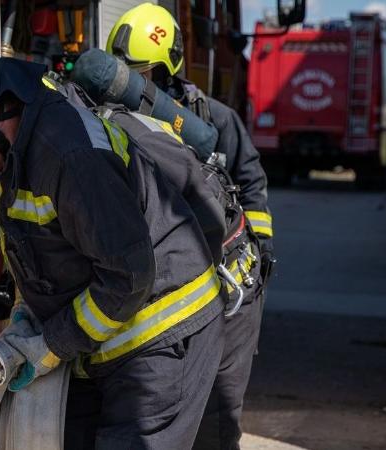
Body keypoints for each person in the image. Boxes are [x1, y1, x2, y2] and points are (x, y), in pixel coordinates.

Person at [0, 49, 224, 449]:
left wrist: (51, 344)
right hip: (106, 340)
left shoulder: (71, 155)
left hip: (161, 334)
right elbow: (36, 252)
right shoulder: (14, 155)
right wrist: (27, 314)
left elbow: (127, 278)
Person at [106, 4, 274, 450]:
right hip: (178, 286)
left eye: (145, 73)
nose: (135, 85)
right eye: (126, 73)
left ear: (170, 68)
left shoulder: (212, 120)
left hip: (232, 284)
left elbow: (252, 184)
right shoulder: (115, 122)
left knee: (216, 418)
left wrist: (260, 256)